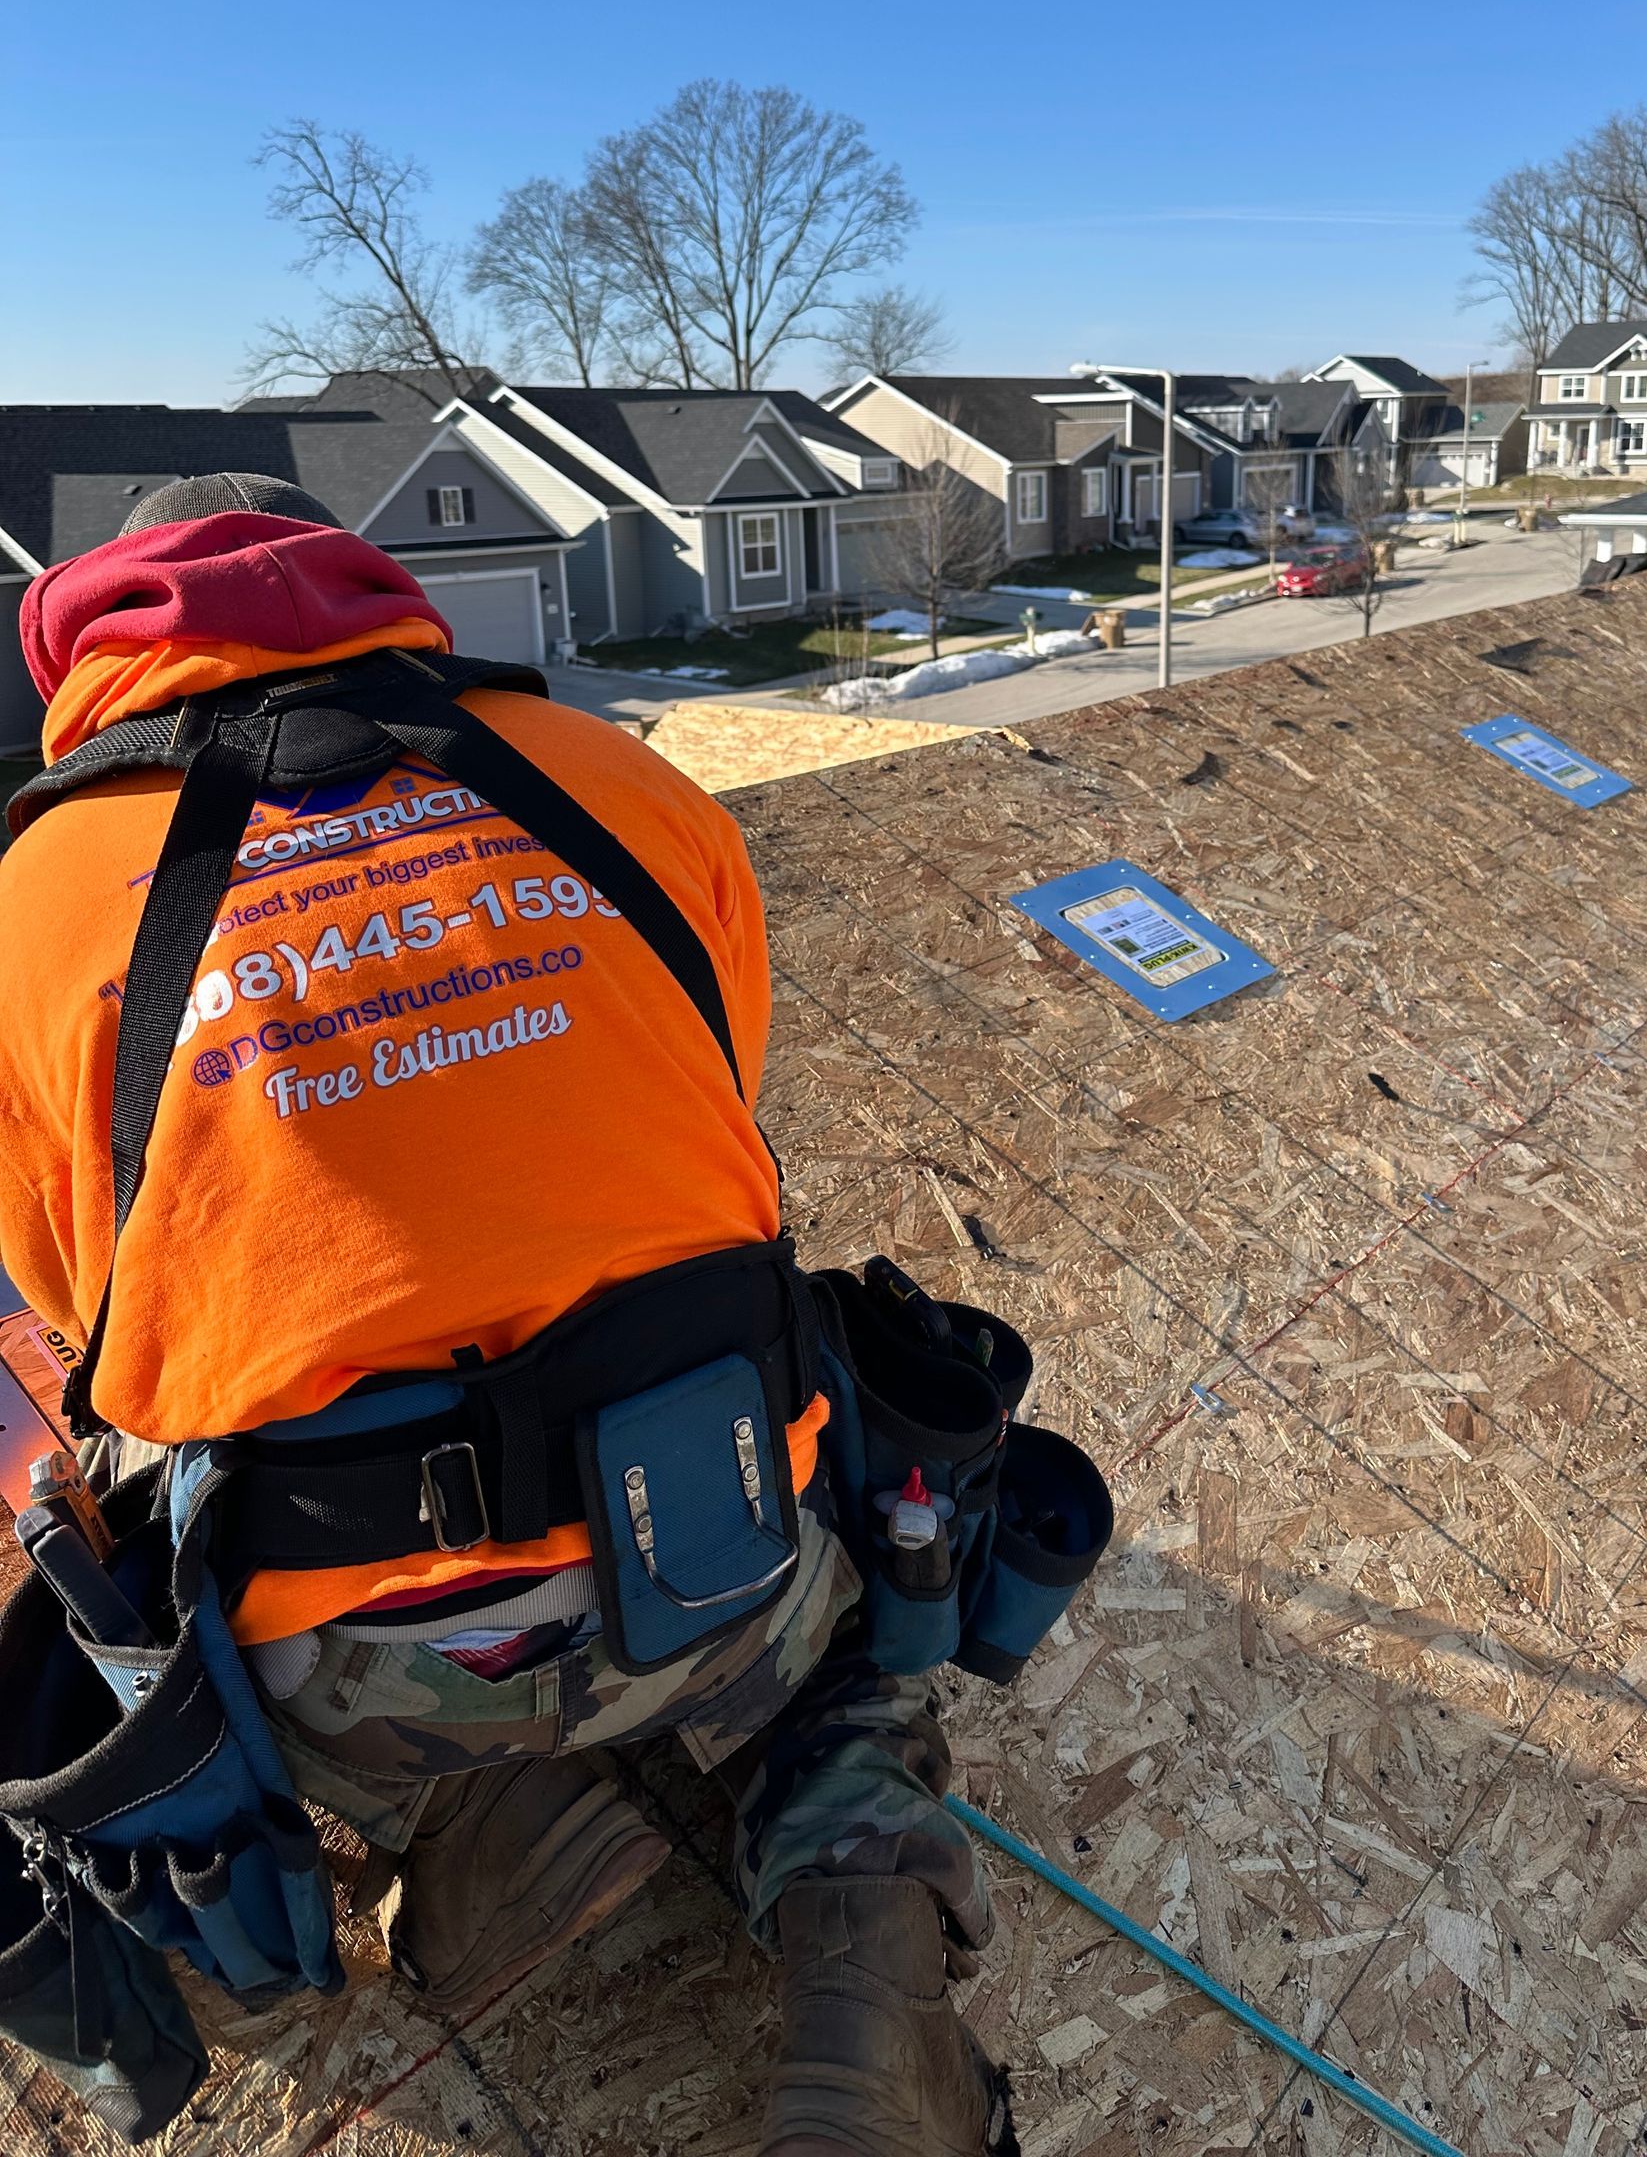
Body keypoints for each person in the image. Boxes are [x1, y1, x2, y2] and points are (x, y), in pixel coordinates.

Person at [0, 476, 1014, 2157]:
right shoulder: (622, 783)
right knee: (854, 1650)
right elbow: (717, 1112)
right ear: (369, 590)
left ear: (90, 658)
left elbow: (88, 1326)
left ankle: (462, 1819)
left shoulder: (31, 907)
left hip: (357, 1668)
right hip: (719, 1558)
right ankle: (872, 1987)